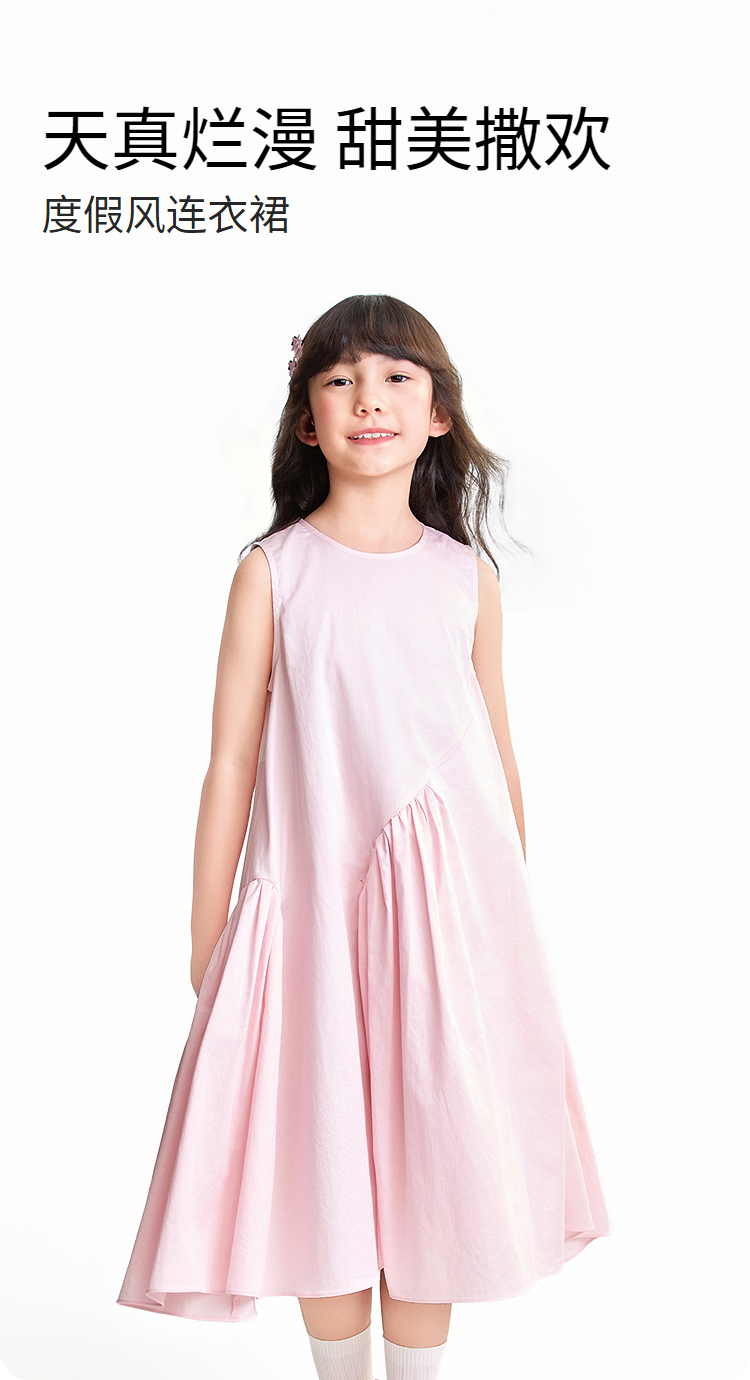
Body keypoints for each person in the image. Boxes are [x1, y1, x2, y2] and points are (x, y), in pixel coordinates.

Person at [116, 294, 611, 1380]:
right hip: (311, 916)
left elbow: (495, 755)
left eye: (395, 378)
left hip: (448, 923)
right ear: (308, 420)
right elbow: (230, 765)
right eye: (339, 380)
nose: (368, 400)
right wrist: (209, 936)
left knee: (438, 1165)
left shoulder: (465, 577)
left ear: (438, 414)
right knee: (324, 1168)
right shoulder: (274, 572)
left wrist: (501, 927)